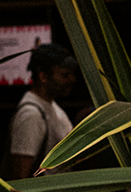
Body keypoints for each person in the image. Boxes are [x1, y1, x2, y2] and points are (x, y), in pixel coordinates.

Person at [5, 43, 78, 179]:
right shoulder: (31, 115)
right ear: (43, 76)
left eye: (72, 74)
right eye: (64, 75)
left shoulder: (53, 107)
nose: (72, 80)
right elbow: (20, 176)